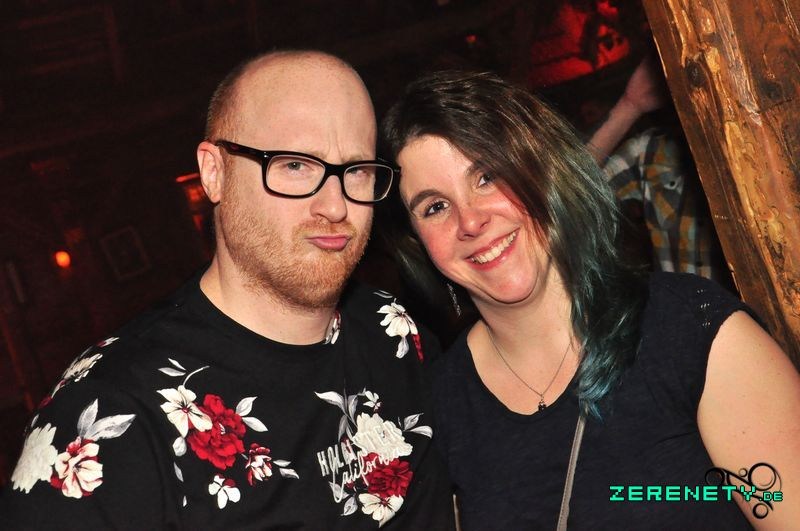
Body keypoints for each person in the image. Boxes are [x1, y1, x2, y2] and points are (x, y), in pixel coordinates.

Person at [0, 51, 454, 530]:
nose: (336, 205)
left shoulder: (395, 334)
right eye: (295, 165)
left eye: (357, 169)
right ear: (213, 172)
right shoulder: (103, 417)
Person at [381, 70, 800, 530]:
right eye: (435, 207)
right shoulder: (438, 405)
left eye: (487, 177)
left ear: (541, 170)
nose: (470, 221)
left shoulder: (690, 331)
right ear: (418, 244)